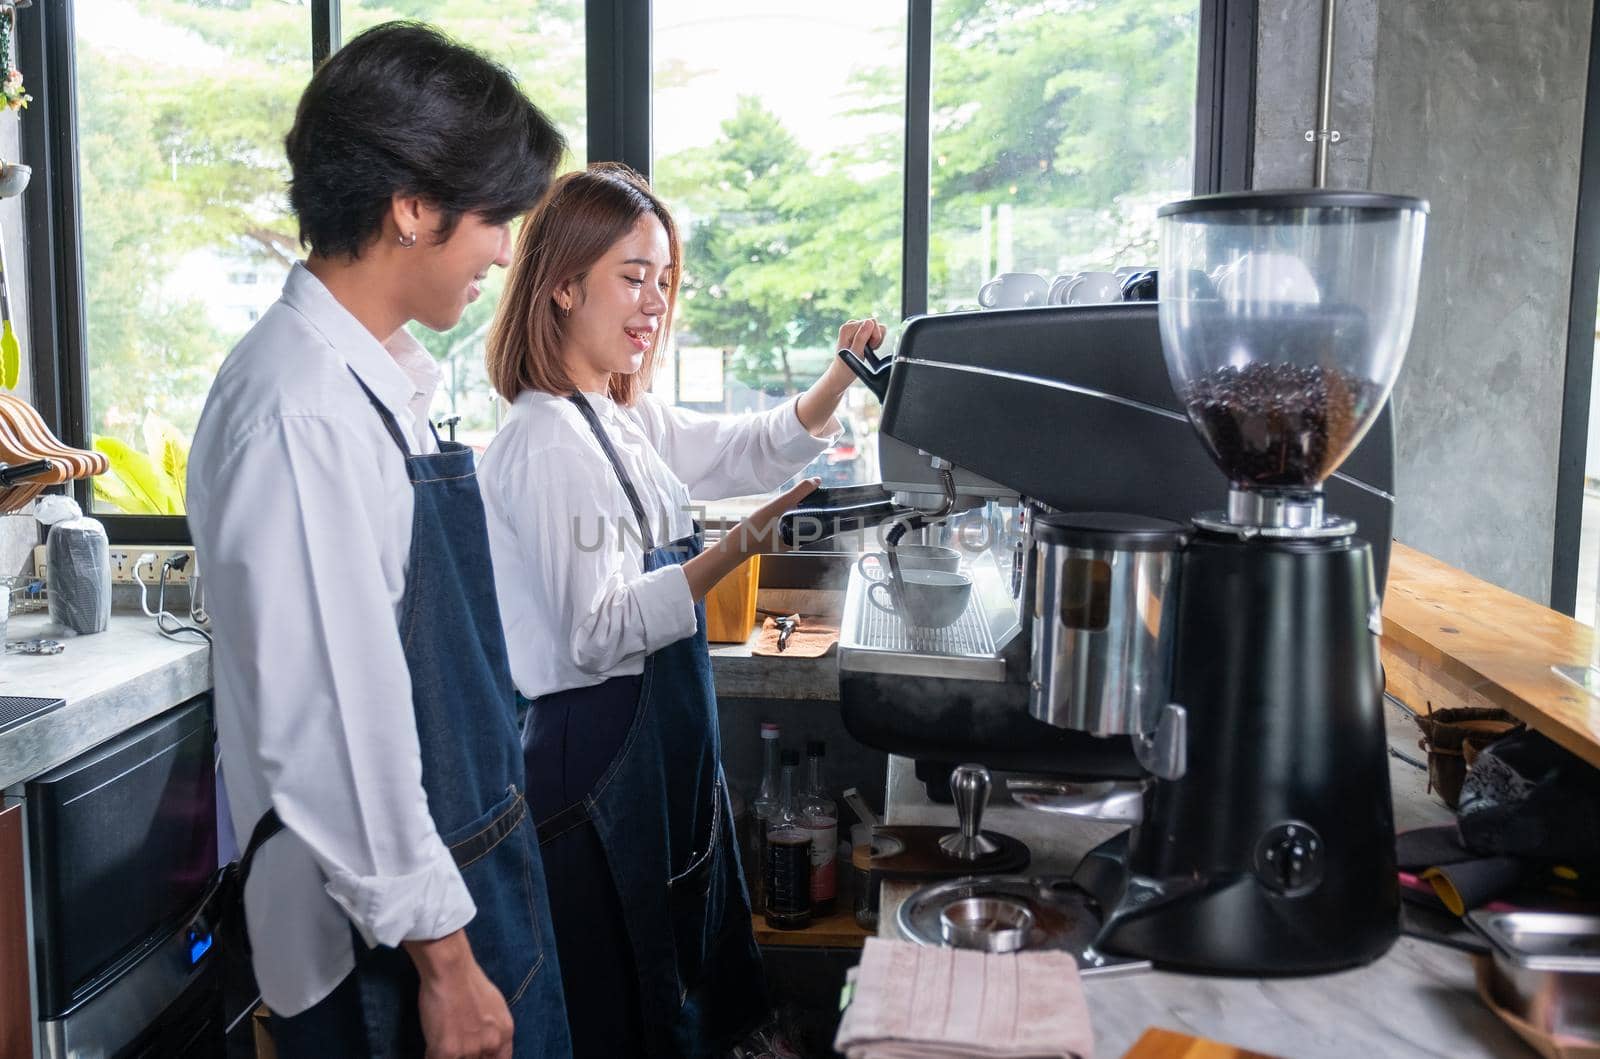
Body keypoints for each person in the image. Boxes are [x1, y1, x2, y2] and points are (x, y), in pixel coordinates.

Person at [187, 23, 572, 1059]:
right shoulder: (299, 408)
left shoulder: (372, 382)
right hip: (385, 944)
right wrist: (446, 966)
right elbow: (335, 727)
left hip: (448, 876)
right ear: (410, 208)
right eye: (494, 217)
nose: (502, 249)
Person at [478, 162, 881, 1058]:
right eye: (632, 276)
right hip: (588, 763)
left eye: (664, 279)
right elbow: (597, 631)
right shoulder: (544, 439)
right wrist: (741, 546)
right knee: (621, 996)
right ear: (561, 284)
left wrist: (838, 378)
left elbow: (743, 447)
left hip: (655, 743)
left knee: (673, 966)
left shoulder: (618, 414)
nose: (654, 300)